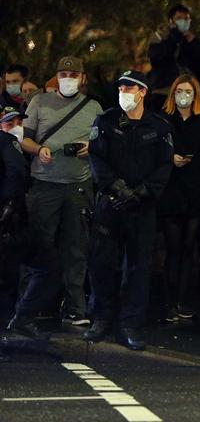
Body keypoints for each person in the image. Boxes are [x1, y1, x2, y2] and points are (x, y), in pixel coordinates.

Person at [10, 56, 102, 334]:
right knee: (38, 248)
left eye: (73, 74)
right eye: (63, 73)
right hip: (44, 184)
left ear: (82, 78)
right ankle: (25, 310)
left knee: (76, 249)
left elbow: (102, 143)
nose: (68, 78)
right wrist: (38, 149)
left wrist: (90, 147)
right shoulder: (39, 103)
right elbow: (23, 139)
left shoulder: (94, 107)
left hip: (78, 185)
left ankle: (75, 309)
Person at [83, 71, 173, 350]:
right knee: (102, 264)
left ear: (143, 92)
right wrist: (116, 188)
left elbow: (164, 165)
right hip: (110, 204)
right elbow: (97, 158)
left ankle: (130, 324)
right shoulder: (106, 121)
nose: (124, 91)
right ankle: (101, 319)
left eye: (130, 87)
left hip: (142, 207)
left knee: (138, 267)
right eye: (121, 87)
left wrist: (140, 192)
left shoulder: (159, 126)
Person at [157, 75, 200, 320]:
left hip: (195, 191)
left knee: (190, 248)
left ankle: (184, 299)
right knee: (173, 248)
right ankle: (169, 301)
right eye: (179, 90)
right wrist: (171, 159)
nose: (183, 95)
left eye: (188, 91)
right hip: (171, 191)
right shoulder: (163, 119)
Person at [0, 107, 30, 340]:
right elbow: (17, 172)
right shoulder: (8, 143)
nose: (16, 126)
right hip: (9, 217)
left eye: (19, 121)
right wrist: (9, 203)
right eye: (10, 123)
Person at [148, 4, 200, 93]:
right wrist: (174, 36)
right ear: (171, 21)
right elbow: (159, 58)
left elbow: (197, 63)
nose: (184, 21)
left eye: (186, 19)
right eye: (179, 18)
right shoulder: (160, 37)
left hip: (187, 88)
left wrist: (193, 43)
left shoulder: (190, 39)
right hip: (164, 88)